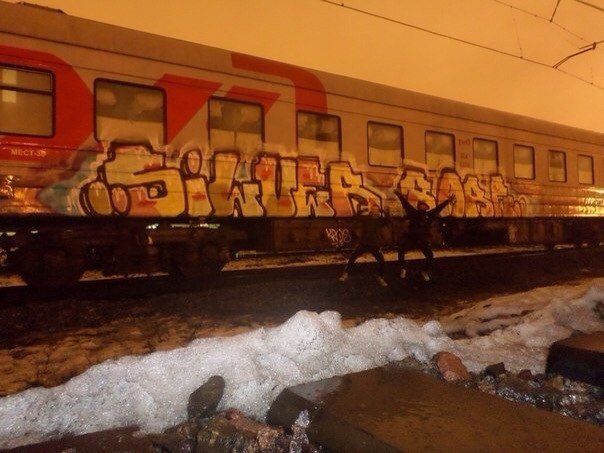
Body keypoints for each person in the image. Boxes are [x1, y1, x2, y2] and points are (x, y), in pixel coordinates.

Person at [397, 194, 455, 282]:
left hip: (422, 240)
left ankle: (425, 271)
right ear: (418, 207)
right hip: (412, 238)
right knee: (401, 250)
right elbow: (405, 204)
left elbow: (439, 208)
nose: (422, 206)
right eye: (420, 205)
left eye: (423, 205)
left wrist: (448, 201)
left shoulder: (429, 215)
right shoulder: (413, 213)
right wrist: (399, 194)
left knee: (430, 255)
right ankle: (402, 269)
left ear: (426, 207)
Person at [339, 203, 390, 287]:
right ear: (371, 210)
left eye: (376, 210)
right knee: (353, 256)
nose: (374, 211)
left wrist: (386, 212)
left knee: (382, 260)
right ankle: (346, 273)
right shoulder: (366, 218)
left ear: (378, 211)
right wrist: (362, 210)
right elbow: (356, 217)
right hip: (364, 243)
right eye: (373, 209)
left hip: (375, 245)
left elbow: (388, 221)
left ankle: (381, 277)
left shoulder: (381, 220)